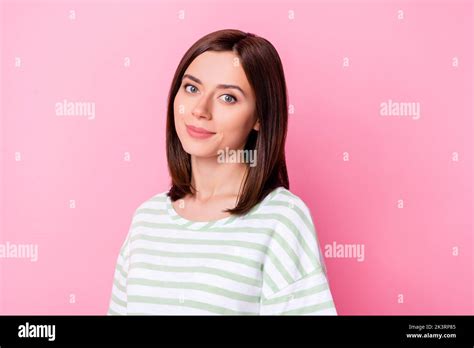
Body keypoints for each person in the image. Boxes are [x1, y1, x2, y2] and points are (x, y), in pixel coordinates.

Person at [108, 29, 337, 315]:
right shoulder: (147, 219)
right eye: (192, 88)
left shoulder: (281, 219)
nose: (200, 110)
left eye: (227, 97)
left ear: (259, 118)